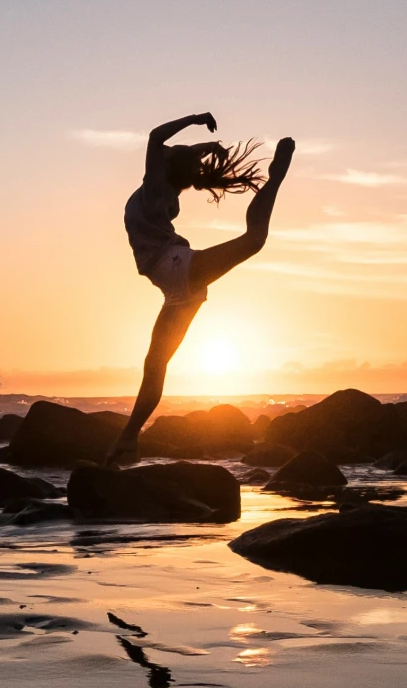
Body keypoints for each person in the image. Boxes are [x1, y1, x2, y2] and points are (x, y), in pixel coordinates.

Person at [107, 112, 295, 464]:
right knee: (155, 365)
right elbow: (171, 150)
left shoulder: (155, 186)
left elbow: (155, 135)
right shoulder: (165, 181)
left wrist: (195, 120)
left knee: (254, 239)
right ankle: (127, 440)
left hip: (175, 268)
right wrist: (206, 145)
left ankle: (276, 178)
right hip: (177, 288)